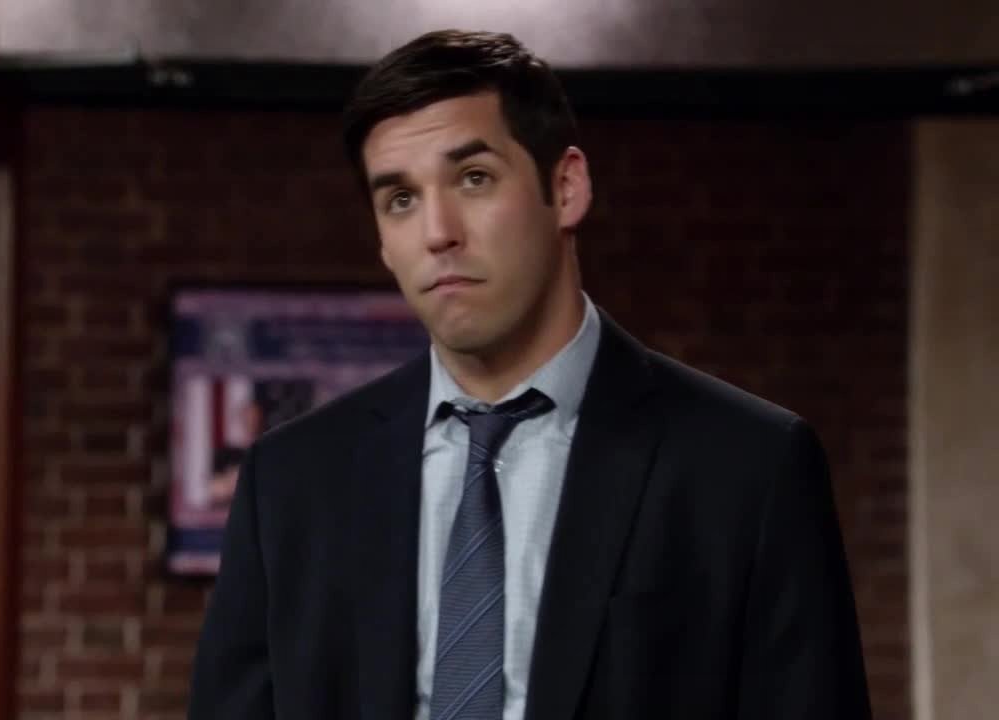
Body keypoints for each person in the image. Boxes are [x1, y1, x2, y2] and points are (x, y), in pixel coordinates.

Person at [188, 29, 871, 720]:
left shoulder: (749, 466)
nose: (437, 231)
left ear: (566, 188)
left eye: (473, 178)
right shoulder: (292, 481)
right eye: (400, 199)